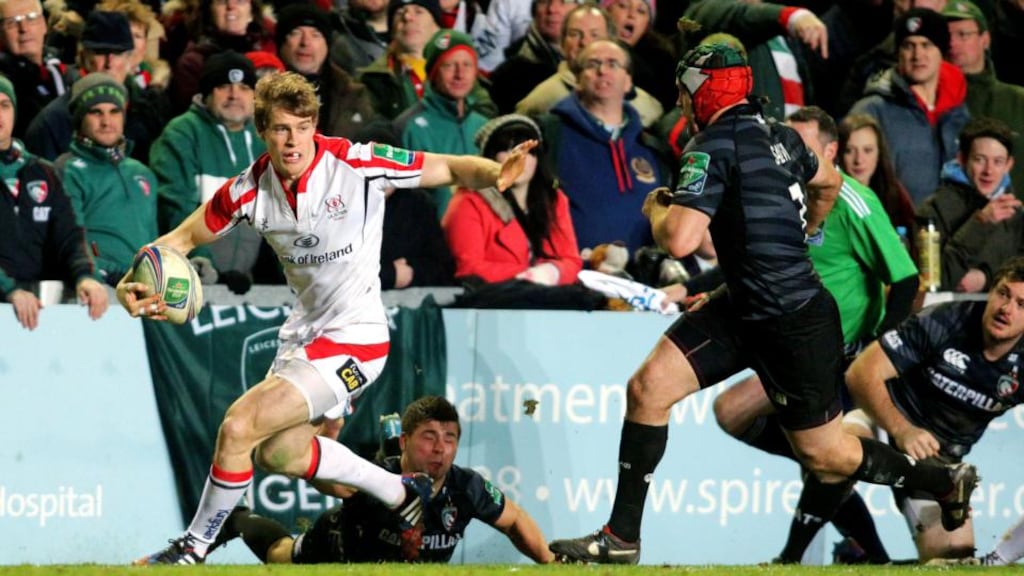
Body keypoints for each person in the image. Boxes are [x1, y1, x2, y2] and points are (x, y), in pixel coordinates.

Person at [547, 42, 978, 565]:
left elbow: (680, 241)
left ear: (704, 92)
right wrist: (809, 227)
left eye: (685, 92)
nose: (681, 103)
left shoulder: (709, 145)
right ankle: (621, 539)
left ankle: (940, 479)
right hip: (746, 304)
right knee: (648, 388)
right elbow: (831, 181)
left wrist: (657, 207)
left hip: (790, 320)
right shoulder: (785, 138)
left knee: (825, 456)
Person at [119, 71, 535, 565]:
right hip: (303, 335)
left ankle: (193, 547)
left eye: (301, 126)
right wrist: (133, 279)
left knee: (238, 426)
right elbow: (180, 241)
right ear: (262, 131)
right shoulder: (247, 190)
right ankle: (401, 493)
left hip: (358, 337)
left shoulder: (356, 163)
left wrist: (493, 173)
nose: (292, 140)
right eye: (279, 128)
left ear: (315, 125)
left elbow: (447, 167)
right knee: (280, 453)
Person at [713, 105, 920, 565]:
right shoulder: (781, 196)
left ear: (829, 152)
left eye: (802, 147)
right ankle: (835, 463)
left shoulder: (854, 200)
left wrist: (878, 350)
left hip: (843, 359)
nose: (790, 155)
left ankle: (794, 558)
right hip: (794, 351)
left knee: (828, 460)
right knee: (731, 411)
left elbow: (905, 280)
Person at [207, 396, 555, 564]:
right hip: (337, 549)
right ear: (404, 442)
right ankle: (237, 519)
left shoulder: (467, 488)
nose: (440, 448)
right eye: (429, 437)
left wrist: (550, 563)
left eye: (450, 438)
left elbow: (515, 521)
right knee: (278, 555)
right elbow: (328, 482)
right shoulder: (377, 477)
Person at [838, 256, 1024, 561]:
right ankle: (801, 554)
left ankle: (866, 562)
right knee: (834, 453)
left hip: (940, 464)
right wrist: (903, 429)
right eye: (1003, 293)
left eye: (1021, 304)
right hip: (887, 422)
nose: (1007, 308)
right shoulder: (946, 319)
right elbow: (861, 374)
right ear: (990, 291)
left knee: (954, 559)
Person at [535, 38, 670, 255]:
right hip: (572, 276)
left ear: (628, 81)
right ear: (577, 79)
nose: (602, 71)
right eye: (592, 64)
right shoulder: (548, 134)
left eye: (613, 64)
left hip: (641, 281)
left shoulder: (652, 148)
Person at [148, 51, 266, 293]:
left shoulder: (262, 141)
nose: (235, 95)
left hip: (245, 283)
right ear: (207, 93)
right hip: (192, 279)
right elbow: (175, 205)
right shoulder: (182, 133)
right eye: (224, 86)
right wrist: (201, 260)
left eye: (244, 87)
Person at [0, 74, 108, 330]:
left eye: (4, 105)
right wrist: (9, 291)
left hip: (38, 309)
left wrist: (85, 277)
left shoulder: (43, 172)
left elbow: (69, 235)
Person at [849, 8, 971, 205]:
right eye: (908, 46)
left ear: (942, 52)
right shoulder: (871, 111)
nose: (917, 55)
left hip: (954, 229)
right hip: (894, 229)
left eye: (926, 45)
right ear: (898, 54)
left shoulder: (959, 111)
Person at [443, 114, 582, 286]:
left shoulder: (554, 200)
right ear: (490, 158)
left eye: (528, 151)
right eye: (507, 150)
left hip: (549, 304)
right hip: (494, 304)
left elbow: (572, 261)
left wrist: (552, 273)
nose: (518, 159)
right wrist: (530, 276)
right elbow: (467, 268)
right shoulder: (469, 201)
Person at [57, 73, 158, 288]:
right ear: (79, 119)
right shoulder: (67, 169)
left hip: (142, 290)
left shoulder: (142, 173)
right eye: (96, 112)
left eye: (114, 112)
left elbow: (154, 242)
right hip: (95, 290)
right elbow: (68, 240)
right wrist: (112, 273)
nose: (106, 121)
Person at [517, 3, 664, 128]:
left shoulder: (648, 106)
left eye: (595, 35)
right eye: (575, 34)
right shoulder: (540, 101)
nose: (585, 43)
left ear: (612, 42)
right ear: (562, 43)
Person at [917, 117, 1020, 293]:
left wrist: (986, 279)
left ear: (1008, 165)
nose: (989, 171)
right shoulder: (933, 209)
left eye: (998, 161)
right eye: (980, 159)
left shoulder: (1015, 213)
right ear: (962, 159)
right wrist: (981, 222)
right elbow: (933, 281)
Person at [394, 29, 490, 216]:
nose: (459, 74)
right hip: (433, 239)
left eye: (467, 65)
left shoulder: (484, 125)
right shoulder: (409, 128)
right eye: (449, 65)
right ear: (433, 73)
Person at [942, 0, 1024, 190]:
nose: (952, 43)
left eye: (963, 35)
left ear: (984, 40)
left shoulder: (1017, 101)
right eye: (946, 36)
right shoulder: (932, 104)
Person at [275, 3, 377, 139]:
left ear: (327, 44)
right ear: (281, 43)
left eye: (315, 35)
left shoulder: (353, 94)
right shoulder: (261, 92)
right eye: (296, 33)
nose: (305, 42)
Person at [839, 114, 918, 249]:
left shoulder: (895, 193)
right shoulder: (827, 198)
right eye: (849, 151)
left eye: (868, 150)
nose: (859, 160)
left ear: (879, 153)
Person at [0, 0, 67, 139]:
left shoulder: (60, 68)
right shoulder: (4, 84)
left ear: (44, 24)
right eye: (12, 22)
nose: (23, 28)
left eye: (31, 18)